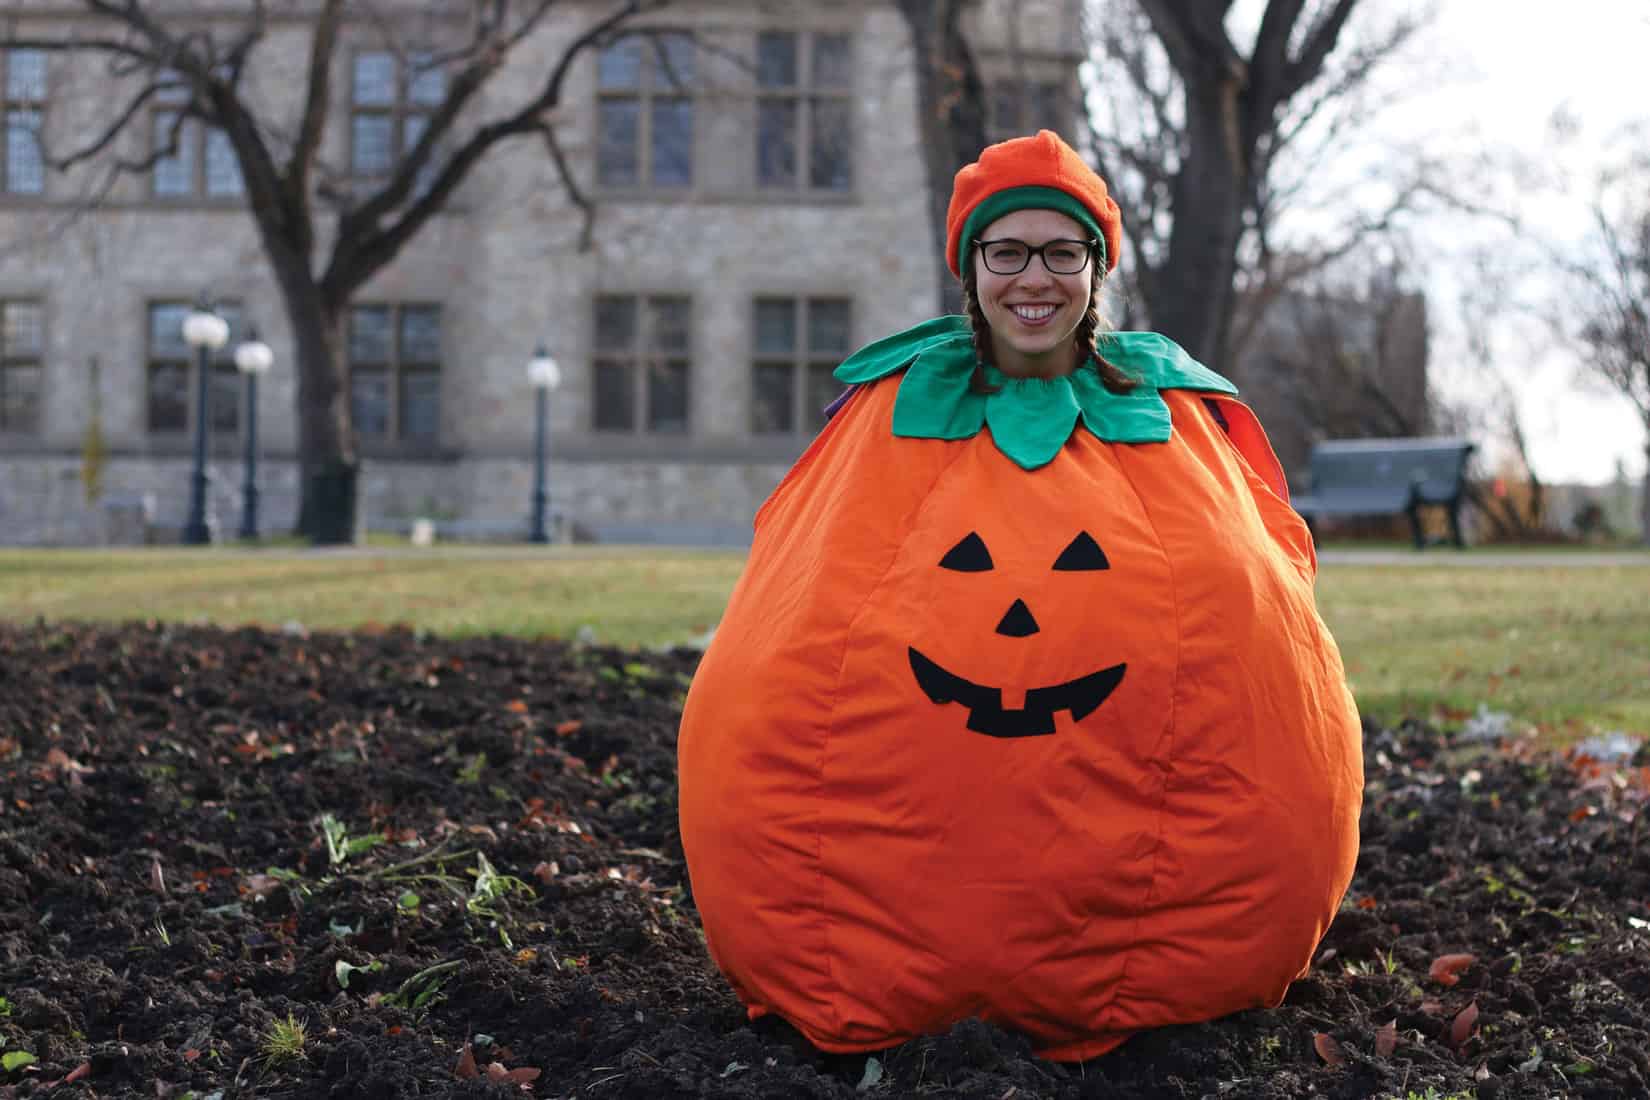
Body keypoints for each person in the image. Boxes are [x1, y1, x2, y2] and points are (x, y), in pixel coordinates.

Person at [678, 130, 1363, 1062]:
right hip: (853, 950)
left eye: (1061, 252)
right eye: (1006, 252)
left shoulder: (1169, 420)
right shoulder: (891, 415)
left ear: (1095, 267)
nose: (1032, 279)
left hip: (1157, 943)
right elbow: (789, 627)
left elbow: (1255, 631)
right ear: (971, 269)